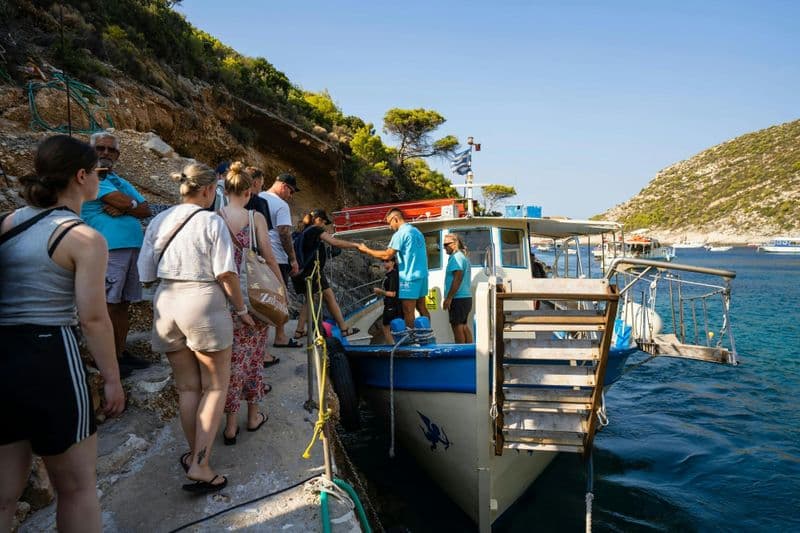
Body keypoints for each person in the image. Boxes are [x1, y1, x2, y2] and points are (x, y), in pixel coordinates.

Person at [0, 135, 125, 532]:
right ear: (82, 175)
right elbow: (93, 319)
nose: (101, 181)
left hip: (3, 354)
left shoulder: (11, 221)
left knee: (3, 494)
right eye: (99, 173)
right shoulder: (85, 238)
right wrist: (112, 380)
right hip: (50, 355)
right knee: (76, 488)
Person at [138, 162, 255, 494]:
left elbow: (145, 272)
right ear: (207, 190)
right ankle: (201, 465)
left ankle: (194, 454)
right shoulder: (211, 221)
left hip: (166, 302)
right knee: (215, 387)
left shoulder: (159, 220)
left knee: (187, 389)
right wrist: (241, 308)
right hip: (202, 301)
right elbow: (226, 273)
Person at [217, 162, 282, 444]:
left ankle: (230, 425)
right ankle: (253, 416)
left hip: (226, 300)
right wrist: (280, 289)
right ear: (247, 190)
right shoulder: (255, 217)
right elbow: (268, 257)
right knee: (254, 359)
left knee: (232, 362)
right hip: (254, 299)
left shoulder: (215, 217)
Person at [81, 131, 152, 377]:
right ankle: (106, 359)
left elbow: (146, 209)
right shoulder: (90, 177)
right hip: (107, 249)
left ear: (118, 155)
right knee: (109, 305)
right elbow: (127, 204)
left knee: (123, 304)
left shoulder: (118, 179)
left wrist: (128, 206)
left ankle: (120, 353)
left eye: (111, 150)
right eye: (100, 148)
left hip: (132, 248)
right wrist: (129, 205)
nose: (105, 153)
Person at [291, 209, 361, 338]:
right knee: (329, 297)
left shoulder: (301, 231)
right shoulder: (315, 230)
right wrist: (355, 245)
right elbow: (334, 242)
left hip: (301, 272)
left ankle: (299, 331)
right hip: (313, 271)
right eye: (324, 223)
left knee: (310, 299)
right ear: (318, 220)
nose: (324, 226)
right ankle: (344, 329)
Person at [357, 208, 430, 329]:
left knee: (408, 310)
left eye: (389, 222)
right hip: (422, 275)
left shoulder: (400, 234)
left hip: (409, 277)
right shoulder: (416, 231)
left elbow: (387, 255)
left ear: (395, 218)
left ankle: (412, 342)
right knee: (422, 307)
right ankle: (428, 334)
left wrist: (367, 250)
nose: (390, 226)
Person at [259, 173, 302, 348]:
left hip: (258, 255)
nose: (290, 196)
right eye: (291, 191)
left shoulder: (257, 197)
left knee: (261, 297)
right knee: (279, 297)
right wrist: (293, 259)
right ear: (284, 186)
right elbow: (284, 232)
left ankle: (260, 339)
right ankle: (280, 336)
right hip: (277, 257)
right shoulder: (281, 205)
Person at [243, 166, 279, 366]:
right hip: (253, 267)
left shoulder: (223, 206)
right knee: (260, 314)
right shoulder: (258, 204)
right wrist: (279, 282)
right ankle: (261, 357)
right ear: (255, 182)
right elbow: (266, 245)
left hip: (227, 270)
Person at [443, 233, 473, 343]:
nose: (444, 247)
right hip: (465, 298)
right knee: (463, 326)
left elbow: (458, 278)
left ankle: (461, 351)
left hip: (458, 299)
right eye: (443, 245)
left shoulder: (456, 257)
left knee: (457, 328)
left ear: (455, 244)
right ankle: (470, 353)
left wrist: (449, 298)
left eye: (446, 244)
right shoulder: (462, 256)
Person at [373, 256, 403, 343]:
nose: (384, 263)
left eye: (387, 261)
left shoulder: (393, 275)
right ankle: (395, 345)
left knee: (386, 326)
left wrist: (380, 291)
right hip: (391, 304)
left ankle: (391, 346)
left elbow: (393, 293)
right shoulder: (390, 274)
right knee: (392, 326)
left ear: (393, 263)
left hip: (392, 304)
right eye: (383, 261)